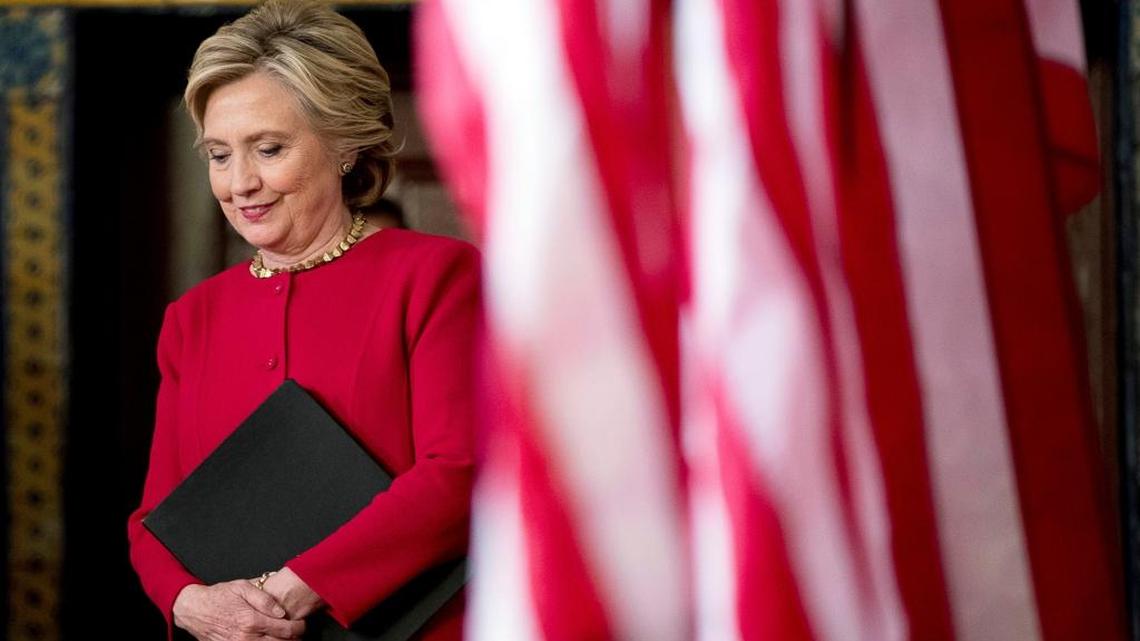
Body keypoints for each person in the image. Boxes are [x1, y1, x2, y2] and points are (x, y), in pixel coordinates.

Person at [126, 2, 477, 639]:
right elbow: (156, 517)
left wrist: (293, 589)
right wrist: (185, 601)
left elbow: (459, 471)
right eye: (220, 154)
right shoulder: (192, 318)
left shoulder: (436, 276)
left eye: (268, 148)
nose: (241, 183)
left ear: (344, 145)